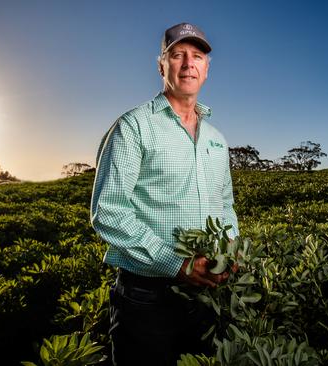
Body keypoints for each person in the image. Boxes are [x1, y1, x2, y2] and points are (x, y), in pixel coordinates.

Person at [90, 22, 239, 365]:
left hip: (206, 294)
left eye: (197, 56)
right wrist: (177, 264)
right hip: (146, 296)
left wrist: (230, 247)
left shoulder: (217, 139)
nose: (188, 63)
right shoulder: (133, 126)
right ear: (162, 65)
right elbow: (109, 213)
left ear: (207, 69)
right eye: (177, 55)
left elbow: (225, 205)